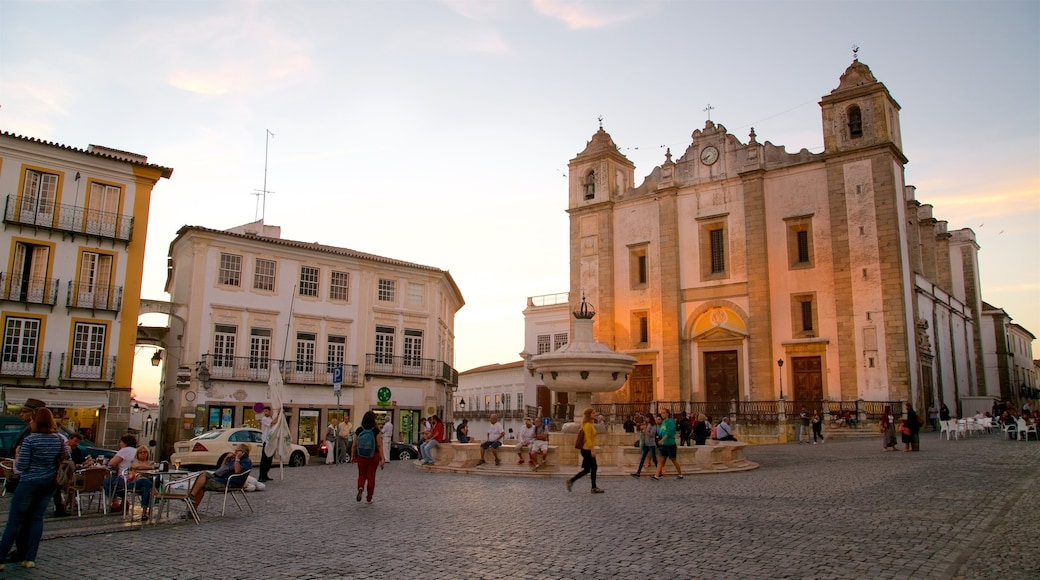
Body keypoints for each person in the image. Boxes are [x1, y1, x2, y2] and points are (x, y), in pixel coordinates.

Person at [0, 408, 69, 570]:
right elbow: (66, 457)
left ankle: (1, 558)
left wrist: (18, 455)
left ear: (35, 421)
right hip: (49, 483)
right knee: (37, 519)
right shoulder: (58, 439)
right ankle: (30, 558)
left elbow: (22, 466)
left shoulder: (31, 440)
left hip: (29, 482)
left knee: (14, 521)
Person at [103, 434, 154, 520]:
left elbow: (111, 464)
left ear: (125, 443)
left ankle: (115, 502)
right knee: (146, 485)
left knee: (107, 482)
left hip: (127, 479)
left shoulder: (124, 451)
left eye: (121, 442)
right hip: (136, 479)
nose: (120, 444)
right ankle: (143, 511)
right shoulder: (136, 451)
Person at [189, 444, 252, 512]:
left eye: (237, 451)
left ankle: (192, 509)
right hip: (219, 477)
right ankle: (192, 496)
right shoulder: (233, 459)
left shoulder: (246, 461)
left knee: (201, 486)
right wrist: (226, 459)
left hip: (228, 482)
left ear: (243, 452)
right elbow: (221, 470)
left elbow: (237, 471)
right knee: (202, 474)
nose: (235, 452)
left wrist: (237, 459)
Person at [352, 411, 386, 504]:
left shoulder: (359, 430)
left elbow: (354, 445)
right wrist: (382, 458)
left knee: (361, 474)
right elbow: (379, 445)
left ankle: (360, 487)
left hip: (361, 456)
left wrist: (352, 456)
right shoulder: (375, 430)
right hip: (373, 456)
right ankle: (369, 498)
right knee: (371, 476)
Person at [566, 408, 603, 493]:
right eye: (593, 413)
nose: (595, 414)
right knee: (594, 467)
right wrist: (592, 450)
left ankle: (571, 481)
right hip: (587, 450)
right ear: (589, 415)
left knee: (587, 470)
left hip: (587, 449)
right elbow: (588, 439)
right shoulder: (587, 425)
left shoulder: (590, 424)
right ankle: (593, 488)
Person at [653, 408, 683, 480]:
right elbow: (662, 432)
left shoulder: (671, 422)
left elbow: (669, 433)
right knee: (661, 460)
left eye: (663, 413)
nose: (662, 414)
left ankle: (680, 474)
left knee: (673, 460)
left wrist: (662, 440)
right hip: (664, 444)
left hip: (670, 444)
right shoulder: (663, 422)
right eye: (661, 413)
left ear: (667, 414)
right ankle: (656, 475)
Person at [632, 413, 658, 478]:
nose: (646, 419)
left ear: (650, 418)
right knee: (642, 458)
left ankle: (659, 472)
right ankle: (638, 473)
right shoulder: (648, 424)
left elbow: (652, 435)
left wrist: (645, 430)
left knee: (654, 459)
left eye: (647, 418)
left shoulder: (654, 425)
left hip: (651, 444)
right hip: (646, 444)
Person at [259, 405, 278, 483]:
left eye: (266, 411)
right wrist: (279, 415)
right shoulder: (264, 419)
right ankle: (261, 476)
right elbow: (274, 422)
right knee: (264, 459)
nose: (265, 412)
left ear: (270, 411)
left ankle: (265, 474)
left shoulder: (270, 418)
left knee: (269, 460)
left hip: (270, 441)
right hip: (265, 441)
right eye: (264, 411)